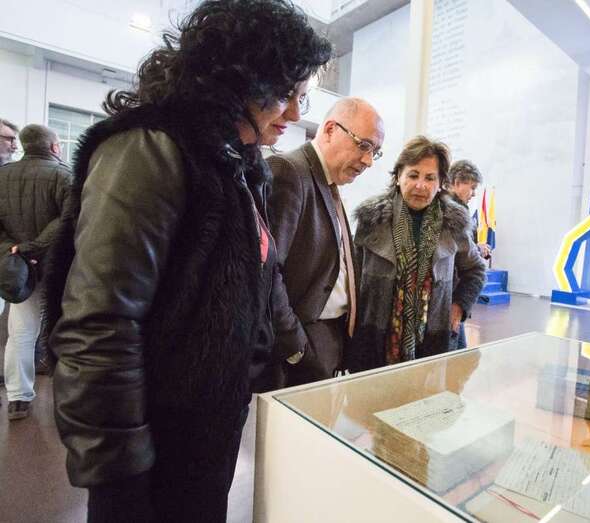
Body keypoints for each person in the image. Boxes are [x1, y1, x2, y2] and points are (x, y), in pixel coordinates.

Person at [43, 1, 330, 521]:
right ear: (237, 79)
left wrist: (293, 358)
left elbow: (261, 282)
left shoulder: (240, 166)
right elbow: (99, 323)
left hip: (206, 434)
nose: (293, 113)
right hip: (149, 452)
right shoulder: (150, 150)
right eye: (285, 93)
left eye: (300, 96)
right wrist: (118, 470)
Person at [267, 97, 384, 385]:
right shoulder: (289, 171)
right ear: (331, 129)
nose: (368, 161)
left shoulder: (328, 182)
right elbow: (267, 274)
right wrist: (296, 348)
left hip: (328, 340)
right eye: (364, 145)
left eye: (375, 152)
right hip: (298, 347)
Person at [346, 136, 486, 372]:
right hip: (374, 343)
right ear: (398, 177)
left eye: (430, 178)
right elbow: (351, 277)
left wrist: (459, 306)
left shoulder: (453, 224)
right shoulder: (372, 220)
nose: (421, 185)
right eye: (413, 175)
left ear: (441, 182)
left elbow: (476, 268)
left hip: (433, 342)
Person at [0, 124, 70, 419]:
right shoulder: (65, 175)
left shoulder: (2, 176)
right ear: (54, 147)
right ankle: (68, 399)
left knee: (21, 332)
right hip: (59, 266)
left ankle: (18, 398)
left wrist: (15, 249)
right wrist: (35, 246)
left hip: (20, 268)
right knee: (66, 331)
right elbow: (70, 219)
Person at [446, 159, 488, 350]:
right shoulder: (452, 212)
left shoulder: (457, 211)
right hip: (449, 297)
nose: (473, 193)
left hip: (453, 296)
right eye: (471, 187)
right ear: (456, 182)